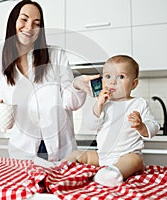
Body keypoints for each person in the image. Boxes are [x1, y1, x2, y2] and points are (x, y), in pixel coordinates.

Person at [0, 0, 99, 161]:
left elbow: (70, 102)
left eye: (36, 23)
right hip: (22, 152)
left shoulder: (56, 56)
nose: (29, 27)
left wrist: (77, 84)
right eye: (24, 19)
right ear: (14, 22)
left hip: (59, 149)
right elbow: (10, 118)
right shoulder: (3, 67)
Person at [62, 55, 160, 187]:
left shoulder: (139, 103)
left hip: (126, 154)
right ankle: (60, 169)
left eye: (121, 77)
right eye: (108, 77)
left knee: (135, 160)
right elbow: (90, 125)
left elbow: (154, 126)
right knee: (76, 154)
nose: (113, 82)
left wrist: (141, 126)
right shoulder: (104, 104)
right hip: (102, 156)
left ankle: (112, 174)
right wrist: (98, 106)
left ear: (134, 84)